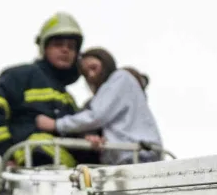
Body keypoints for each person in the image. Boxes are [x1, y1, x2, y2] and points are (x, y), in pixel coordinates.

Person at [0, 12, 99, 168]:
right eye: (58, 44)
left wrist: (89, 137)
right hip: (33, 168)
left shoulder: (67, 98)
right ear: (44, 47)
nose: (65, 50)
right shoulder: (21, 76)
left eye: (71, 47)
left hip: (66, 177)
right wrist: (7, 151)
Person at [35, 47, 163, 165]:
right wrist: (92, 137)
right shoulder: (103, 97)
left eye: (93, 68)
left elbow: (97, 116)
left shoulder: (120, 78)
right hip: (123, 157)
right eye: (85, 73)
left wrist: (56, 124)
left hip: (139, 154)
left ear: (106, 63)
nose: (90, 75)